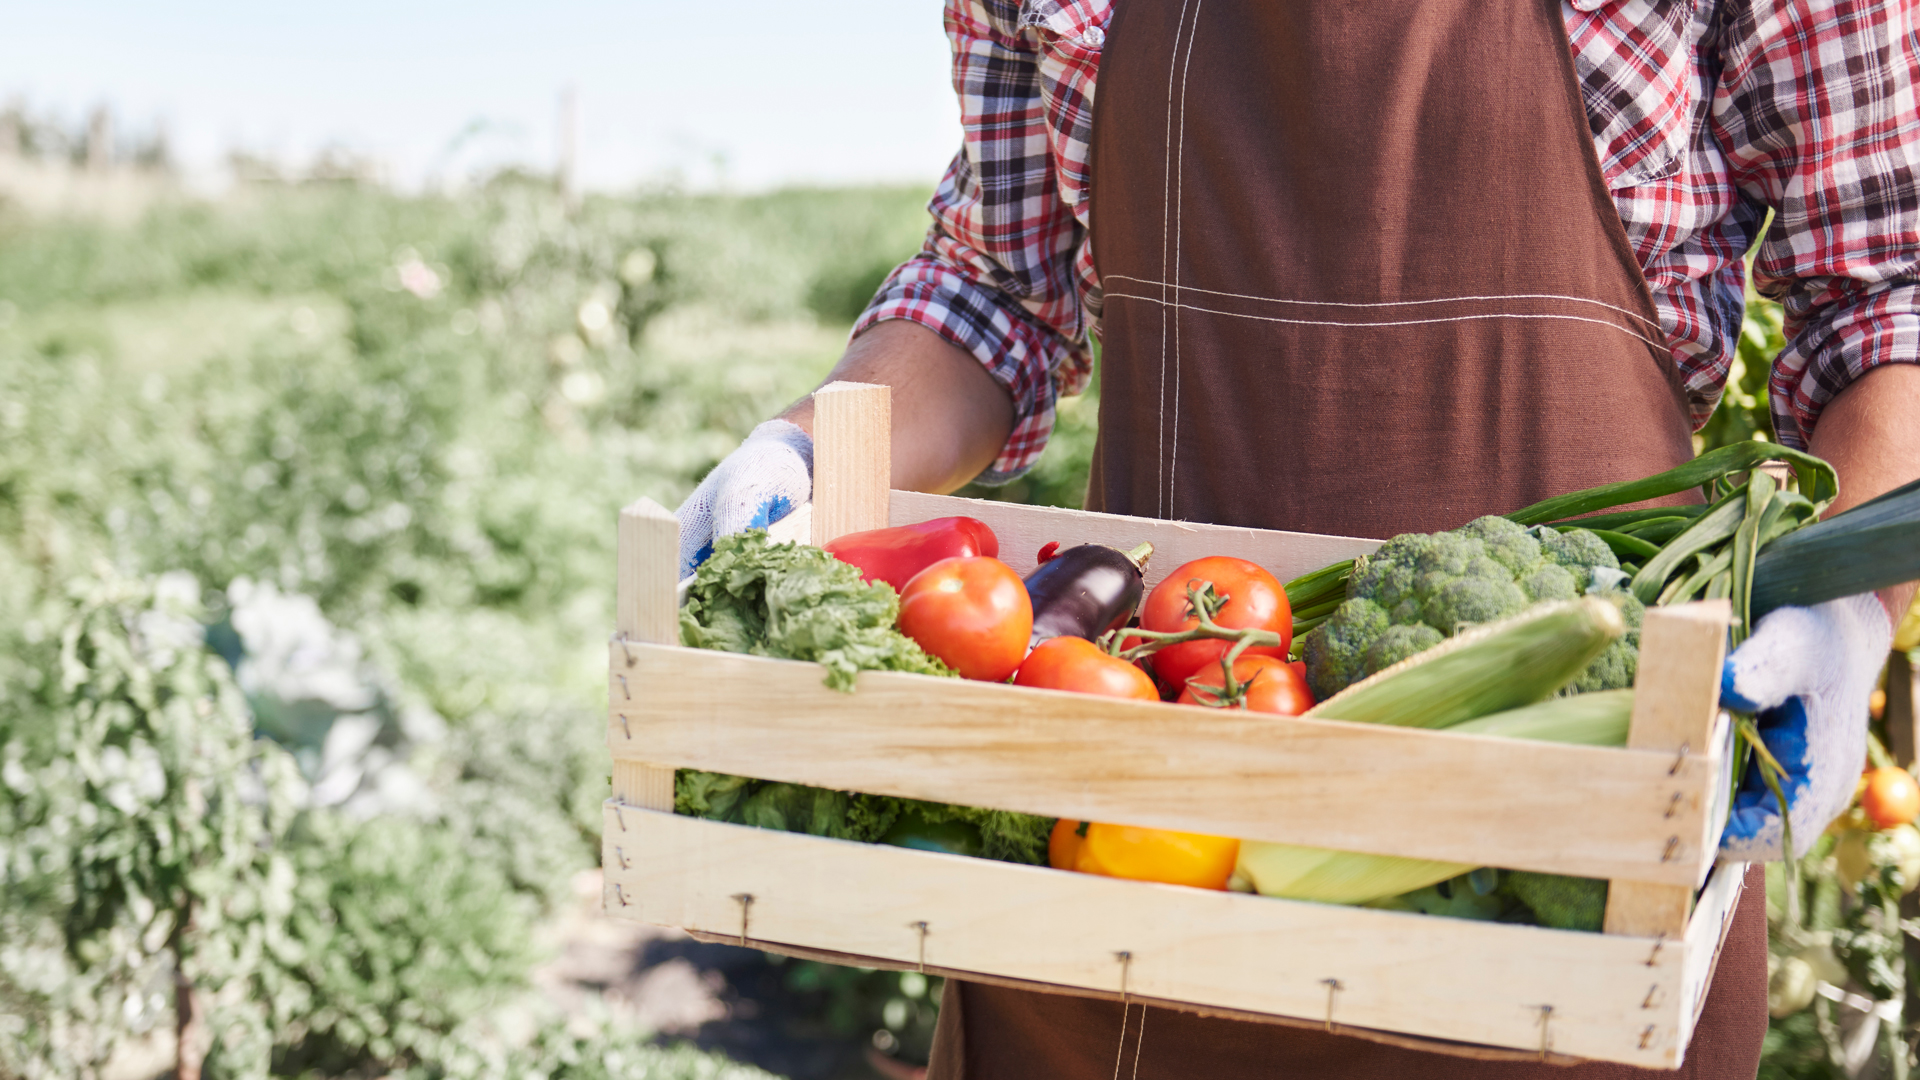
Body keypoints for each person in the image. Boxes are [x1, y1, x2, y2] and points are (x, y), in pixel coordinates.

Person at [675, 0, 1920, 1075]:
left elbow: (1889, 297)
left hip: (1575, 892)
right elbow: (996, 289)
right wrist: (804, 451)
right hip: (1135, 881)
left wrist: (1847, 600)